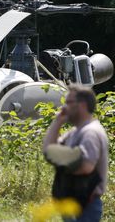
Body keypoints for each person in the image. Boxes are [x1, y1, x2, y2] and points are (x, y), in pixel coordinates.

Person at [43, 84, 109, 221]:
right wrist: (58, 121)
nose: (64, 107)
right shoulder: (75, 132)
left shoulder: (91, 132)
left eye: (69, 102)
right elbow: (48, 150)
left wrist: (59, 159)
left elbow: (86, 166)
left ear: (82, 105)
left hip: (86, 207)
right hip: (74, 205)